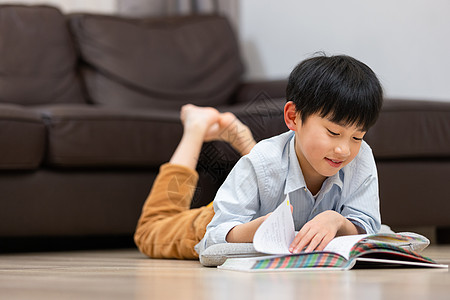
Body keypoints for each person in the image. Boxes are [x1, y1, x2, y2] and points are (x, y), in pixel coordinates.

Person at [135, 54, 383, 260]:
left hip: (260, 186)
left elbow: (368, 224)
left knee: (268, 163)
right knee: (150, 229)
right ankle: (195, 127)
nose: (344, 149)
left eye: (357, 137)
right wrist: (257, 229)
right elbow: (215, 234)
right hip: (221, 219)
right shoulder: (264, 160)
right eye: (333, 132)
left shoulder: (360, 157)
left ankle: (243, 138)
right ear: (293, 117)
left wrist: (335, 221)